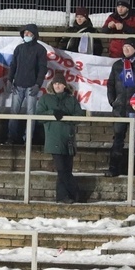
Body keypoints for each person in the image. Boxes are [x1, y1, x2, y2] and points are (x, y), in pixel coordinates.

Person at [105, 37, 135, 177]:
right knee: (118, 138)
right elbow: (110, 84)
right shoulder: (117, 65)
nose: (125, 49)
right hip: (120, 109)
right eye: (124, 47)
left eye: (129, 47)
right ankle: (114, 169)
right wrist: (113, 101)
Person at [36, 72, 85, 204]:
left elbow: (79, 115)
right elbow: (39, 116)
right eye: (55, 83)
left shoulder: (71, 99)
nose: (57, 85)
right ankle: (73, 192)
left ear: (64, 85)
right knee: (62, 168)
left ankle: (63, 197)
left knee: (66, 169)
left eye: (60, 83)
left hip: (68, 139)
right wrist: (52, 113)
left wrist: (67, 117)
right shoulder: (45, 99)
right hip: (54, 138)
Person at [5, 23, 48, 145]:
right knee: (14, 112)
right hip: (18, 85)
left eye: (29, 33)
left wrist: (38, 84)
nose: (26, 35)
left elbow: (42, 68)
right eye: (25, 33)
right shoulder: (19, 48)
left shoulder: (40, 50)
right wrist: (9, 80)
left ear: (34, 35)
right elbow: (13, 65)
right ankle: (11, 137)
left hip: (31, 87)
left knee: (31, 114)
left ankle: (27, 139)